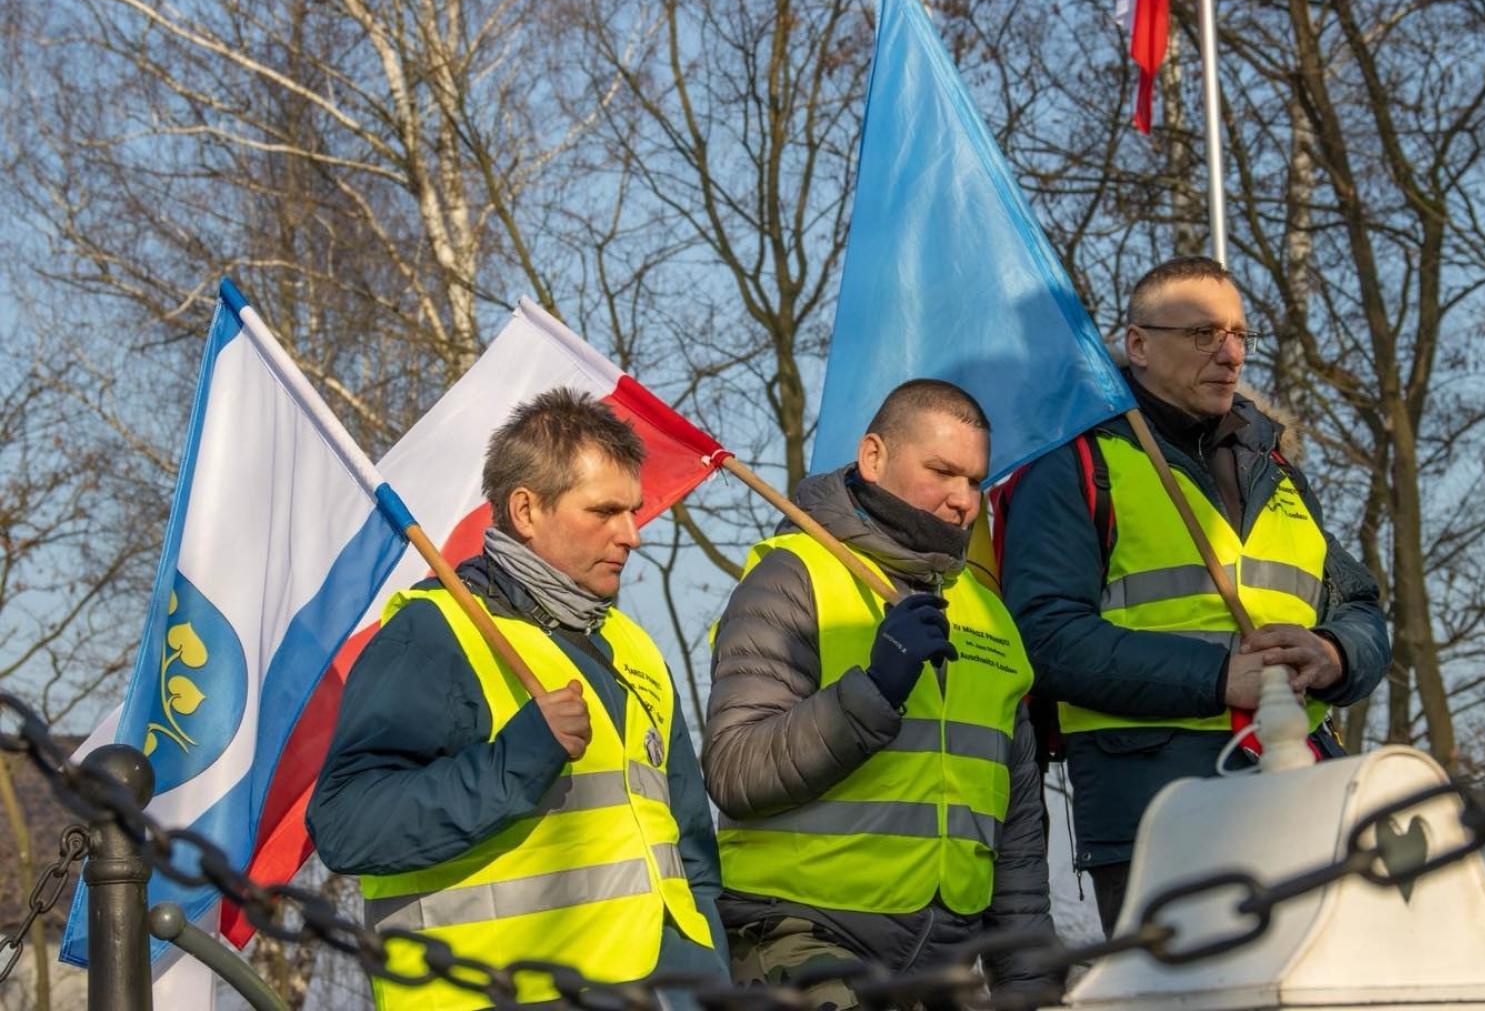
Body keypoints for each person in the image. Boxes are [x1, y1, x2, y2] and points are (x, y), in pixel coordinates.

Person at [998, 255, 1392, 936]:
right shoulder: (1077, 464)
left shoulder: (1279, 469)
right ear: (1138, 344)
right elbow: (1046, 635)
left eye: (1240, 334)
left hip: (1301, 790)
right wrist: (1217, 676)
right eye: (1205, 334)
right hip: (1157, 810)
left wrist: (1333, 653)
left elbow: (1360, 607)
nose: (1231, 353)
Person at [308, 388, 727, 1010]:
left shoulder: (632, 645)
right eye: (605, 511)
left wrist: (711, 974)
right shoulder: (436, 633)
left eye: (632, 510)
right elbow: (346, 825)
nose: (632, 535)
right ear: (526, 510)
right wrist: (518, 760)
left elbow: (688, 849)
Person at [703, 379, 1054, 1009]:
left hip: (945, 962)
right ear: (873, 457)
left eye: (975, 481)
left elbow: (1019, 830)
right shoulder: (790, 577)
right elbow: (735, 771)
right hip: (801, 937)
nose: (962, 502)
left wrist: (1030, 984)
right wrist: (873, 691)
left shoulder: (991, 616)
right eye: (942, 472)